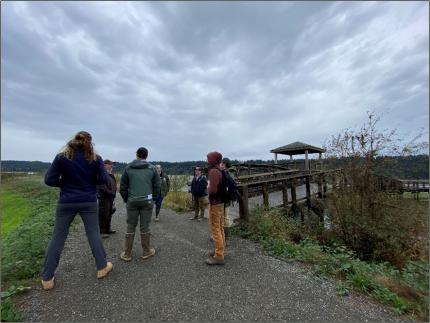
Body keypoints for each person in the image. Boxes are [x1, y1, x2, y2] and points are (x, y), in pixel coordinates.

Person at [41, 131, 113, 290]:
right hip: (88, 201)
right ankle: (102, 267)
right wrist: (89, 182)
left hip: (66, 201)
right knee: (93, 233)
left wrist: (65, 184)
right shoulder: (95, 158)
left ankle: (47, 278)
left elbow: (49, 179)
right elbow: (103, 179)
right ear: (90, 143)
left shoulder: (62, 157)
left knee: (58, 237)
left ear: (74, 141)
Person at [119, 147, 161, 262]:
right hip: (147, 202)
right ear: (146, 156)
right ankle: (146, 251)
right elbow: (157, 186)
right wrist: (153, 199)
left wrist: (127, 199)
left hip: (132, 201)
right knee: (145, 226)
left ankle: (127, 254)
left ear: (137, 155)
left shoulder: (128, 168)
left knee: (130, 225)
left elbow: (122, 187)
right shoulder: (152, 169)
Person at [205, 151, 225, 265]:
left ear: (213, 160)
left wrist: (206, 188)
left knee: (215, 228)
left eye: (208, 159)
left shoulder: (213, 171)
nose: (207, 161)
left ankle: (219, 256)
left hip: (215, 203)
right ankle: (220, 250)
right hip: (220, 203)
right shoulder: (219, 170)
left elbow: (212, 190)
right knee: (220, 227)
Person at [97, 159, 117, 238]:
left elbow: (114, 185)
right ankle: (101, 232)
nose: (111, 165)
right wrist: (110, 193)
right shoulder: (101, 173)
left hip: (110, 198)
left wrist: (113, 195)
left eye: (112, 164)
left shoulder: (110, 174)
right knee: (103, 214)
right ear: (104, 165)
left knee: (109, 213)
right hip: (104, 198)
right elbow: (101, 186)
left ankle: (107, 229)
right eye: (110, 164)